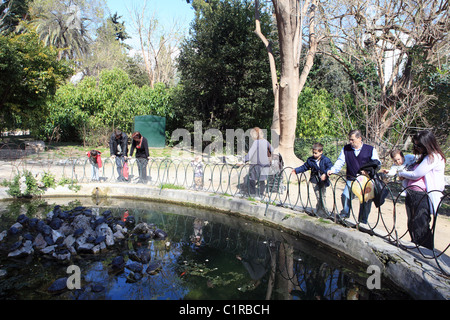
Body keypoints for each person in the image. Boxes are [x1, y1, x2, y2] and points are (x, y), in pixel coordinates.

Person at [398, 130, 446, 250]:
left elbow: (416, 174)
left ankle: (426, 250)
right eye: (415, 145)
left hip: (422, 195)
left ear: (427, 144)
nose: (417, 148)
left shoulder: (434, 157)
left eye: (419, 145)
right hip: (412, 193)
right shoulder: (424, 156)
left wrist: (402, 173)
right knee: (412, 223)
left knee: (421, 224)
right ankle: (415, 246)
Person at [327, 130, 381, 224]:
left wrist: (368, 171)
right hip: (351, 178)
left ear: (359, 138)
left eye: (353, 140)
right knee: (345, 195)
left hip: (366, 180)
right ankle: (345, 213)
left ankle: (362, 221)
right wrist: (333, 170)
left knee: (365, 200)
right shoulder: (346, 149)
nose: (351, 142)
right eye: (350, 140)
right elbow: (340, 161)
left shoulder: (370, 149)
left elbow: (377, 163)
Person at [292, 143, 333, 217]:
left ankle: (322, 210)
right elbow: (304, 167)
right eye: (313, 152)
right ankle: (321, 211)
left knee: (322, 195)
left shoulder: (326, 160)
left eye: (316, 153)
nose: (314, 154)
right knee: (318, 195)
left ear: (321, 152)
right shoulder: (310, 160)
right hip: (315, 180)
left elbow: (330, 167)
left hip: (323, 180)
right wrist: (296, 170)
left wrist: (326, 174)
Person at [243, 127, 274, 198]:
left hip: (256, 165)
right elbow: (272, 149)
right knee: (262, 180)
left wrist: (243, 160)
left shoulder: (256, 142)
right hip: (266, 165)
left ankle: (252, 193)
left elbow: (250, 154)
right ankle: (260, 194)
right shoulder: (266, 141)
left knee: (251, 178)